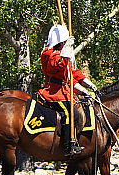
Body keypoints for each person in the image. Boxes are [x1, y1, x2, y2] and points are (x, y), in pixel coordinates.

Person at [38, 24, 98, 156]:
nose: (66, 43)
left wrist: (88, 85)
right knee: (71, 113)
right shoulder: (50, 54)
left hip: (64, 90)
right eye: (64, 42)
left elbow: (73, 73)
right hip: (53, 92)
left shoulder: (62, 54)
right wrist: (66, 50)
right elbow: (58, 65)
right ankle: (68, 146)